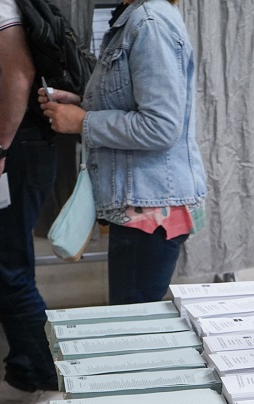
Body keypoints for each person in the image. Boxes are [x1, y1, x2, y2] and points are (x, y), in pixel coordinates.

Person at [39, 0, 206, 305]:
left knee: (135, 329)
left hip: (149, 207)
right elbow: (132, 102)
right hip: (142, 201)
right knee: (135, 321)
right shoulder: (135, 19)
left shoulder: (149, 22)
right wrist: (80, 105)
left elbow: (161, 126)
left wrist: (84, 121)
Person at [0, 1, 63, 404]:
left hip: (9, 148)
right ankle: (22, 375)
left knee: (6, 272)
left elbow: (19, 70)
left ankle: (52, 385)